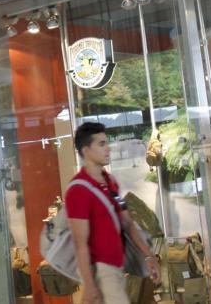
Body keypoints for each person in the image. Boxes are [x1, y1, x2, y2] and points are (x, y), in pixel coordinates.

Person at [67, 122, 161, 304]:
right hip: (101, 272)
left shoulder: (110, 182)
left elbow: (127, 223)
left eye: (107, 143)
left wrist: (149, 256)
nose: (108, 148)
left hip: (117, 269)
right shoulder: (78, 190)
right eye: (101, 144)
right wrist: (89, 284)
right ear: (86, 151)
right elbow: (80, 243)